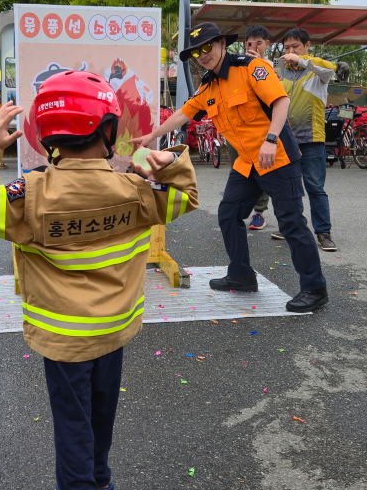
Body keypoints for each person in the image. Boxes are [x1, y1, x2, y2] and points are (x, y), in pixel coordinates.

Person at [0, 71, 198, 490]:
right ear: (108, 129)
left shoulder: (28, 195)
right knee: (102, 416)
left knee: (73, 425)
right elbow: (184, 198)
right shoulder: (133, 189)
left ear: (47, 137)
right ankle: (101, 481)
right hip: (114, 330)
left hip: (63, 339)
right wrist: (172, 163)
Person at [133, 22, 329, 313]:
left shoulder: (249, 67)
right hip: (247, 162)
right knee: (229, 213)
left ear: (222, 44)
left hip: (276, 157)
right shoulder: (208, 85)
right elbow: (183, 114)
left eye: (207, 47)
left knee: (291, 222)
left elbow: (280, 100)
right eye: (196, 52)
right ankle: (241, 274)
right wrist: (151, 136)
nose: (203, 55)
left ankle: (314, 288)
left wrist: (271, 139)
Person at [267, 28, 338, 251]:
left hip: (312, 140)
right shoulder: (280, 73)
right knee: (287, 187)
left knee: (315, 187)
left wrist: (302, 60)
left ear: (307, 46)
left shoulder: (318, 73)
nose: (290, 51)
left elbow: (331, 68)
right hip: (285, 140)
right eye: (287, 47)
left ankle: (323, 232)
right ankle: (290, 226)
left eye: (295, 46)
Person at [241, 24, 275, 232]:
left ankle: (259, 213)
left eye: (259, 43)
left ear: (267, 44)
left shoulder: (271, 67)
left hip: (264, 129)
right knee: (241, 172)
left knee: (263, 170)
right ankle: (239, 209)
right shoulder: (239, 65)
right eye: (250, 43)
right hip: (242, 130)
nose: (255, 47)